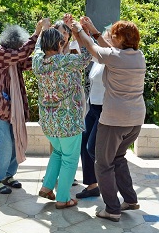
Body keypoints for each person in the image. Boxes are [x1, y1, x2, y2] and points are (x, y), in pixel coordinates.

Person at [75, 16, 145, 222]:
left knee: (103, 163)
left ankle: (112, 209)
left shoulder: (115, 57)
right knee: (118, 157)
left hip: (115, 120)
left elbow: (93, 48)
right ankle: (130, 200)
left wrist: (79, 30)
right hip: (135, 120)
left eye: (114, 34)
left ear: (121, 39)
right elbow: (108, 49)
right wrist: (95, 30)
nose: (111, 36)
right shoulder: (137, 55)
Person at [34, 21, 92, 209]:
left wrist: (42, 30)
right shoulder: (64, 61)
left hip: (48, 121)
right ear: (59, 45)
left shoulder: (37, 61)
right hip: (68, 121)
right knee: (69, 159)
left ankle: (47, 187)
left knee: (58, 153)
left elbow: (36, 48)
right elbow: (86, 58)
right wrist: (81, 35)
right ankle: (63, 198)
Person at [0, 20, 44, 194]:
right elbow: (22, 54)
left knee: (16, 142)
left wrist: (52, 51)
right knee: (3, 146)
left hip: (13, 110)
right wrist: (37, 32)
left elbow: (29, 62)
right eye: (19, 46)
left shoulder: (13, 57)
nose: (20, 50)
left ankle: (7, 176)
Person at [76, 29, 112, 199]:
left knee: (93, 148)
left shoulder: (112, 59)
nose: (101, 40)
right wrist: (77, 32)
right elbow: (86, 48)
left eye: (105, 37)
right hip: (93, 107)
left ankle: (109, 184)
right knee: (84, 143)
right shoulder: (98, 58)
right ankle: (92, 185)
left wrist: (84, 30)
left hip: (106, 109)